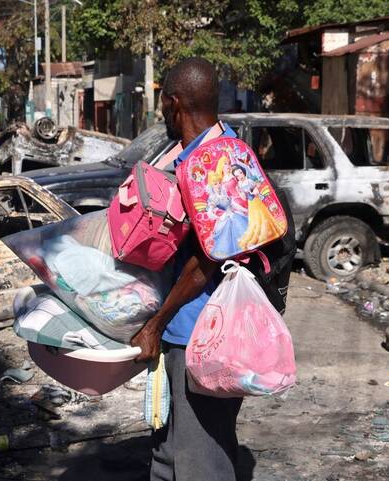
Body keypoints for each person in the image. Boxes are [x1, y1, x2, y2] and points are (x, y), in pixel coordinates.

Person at [130, 58, 295, 481]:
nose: (163, 113)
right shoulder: (211, 150)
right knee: (169, 452)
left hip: (204, 336)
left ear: (174, 102)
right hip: (186, 330)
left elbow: (209, 260)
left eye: (163, 105)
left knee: (201, 459)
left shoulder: (213, 161)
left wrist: (156, 323)